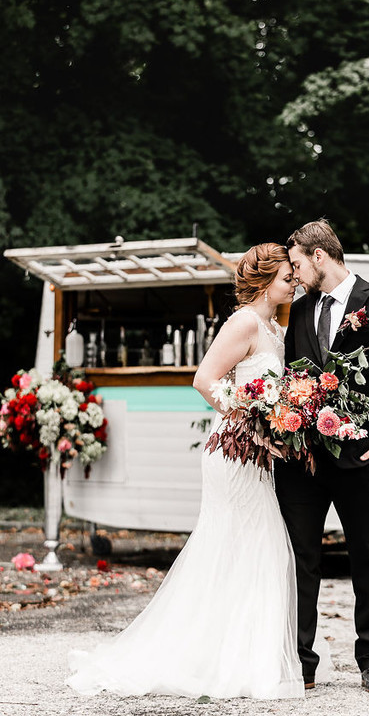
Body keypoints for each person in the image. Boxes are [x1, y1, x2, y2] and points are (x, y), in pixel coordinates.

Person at [66, 243, 305, 700]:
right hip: (233, 452)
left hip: (254, 454)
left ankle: (241, 653)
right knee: (240, 541)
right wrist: (249, 426)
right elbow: (204, 379)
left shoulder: (275, 328)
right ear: (263, 280)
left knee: (258, 544)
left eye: (294, 276)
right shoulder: (244, 322)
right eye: (286, 276)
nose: (293, 282)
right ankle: (217, 656)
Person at [275, 219, 369, 694]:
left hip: (363, 457)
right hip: (301, 463)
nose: (295, 274)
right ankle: (301, 662)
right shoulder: (297, 313)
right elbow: (287, 378)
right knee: (300, 561)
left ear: (320, 256)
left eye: (297, 264)